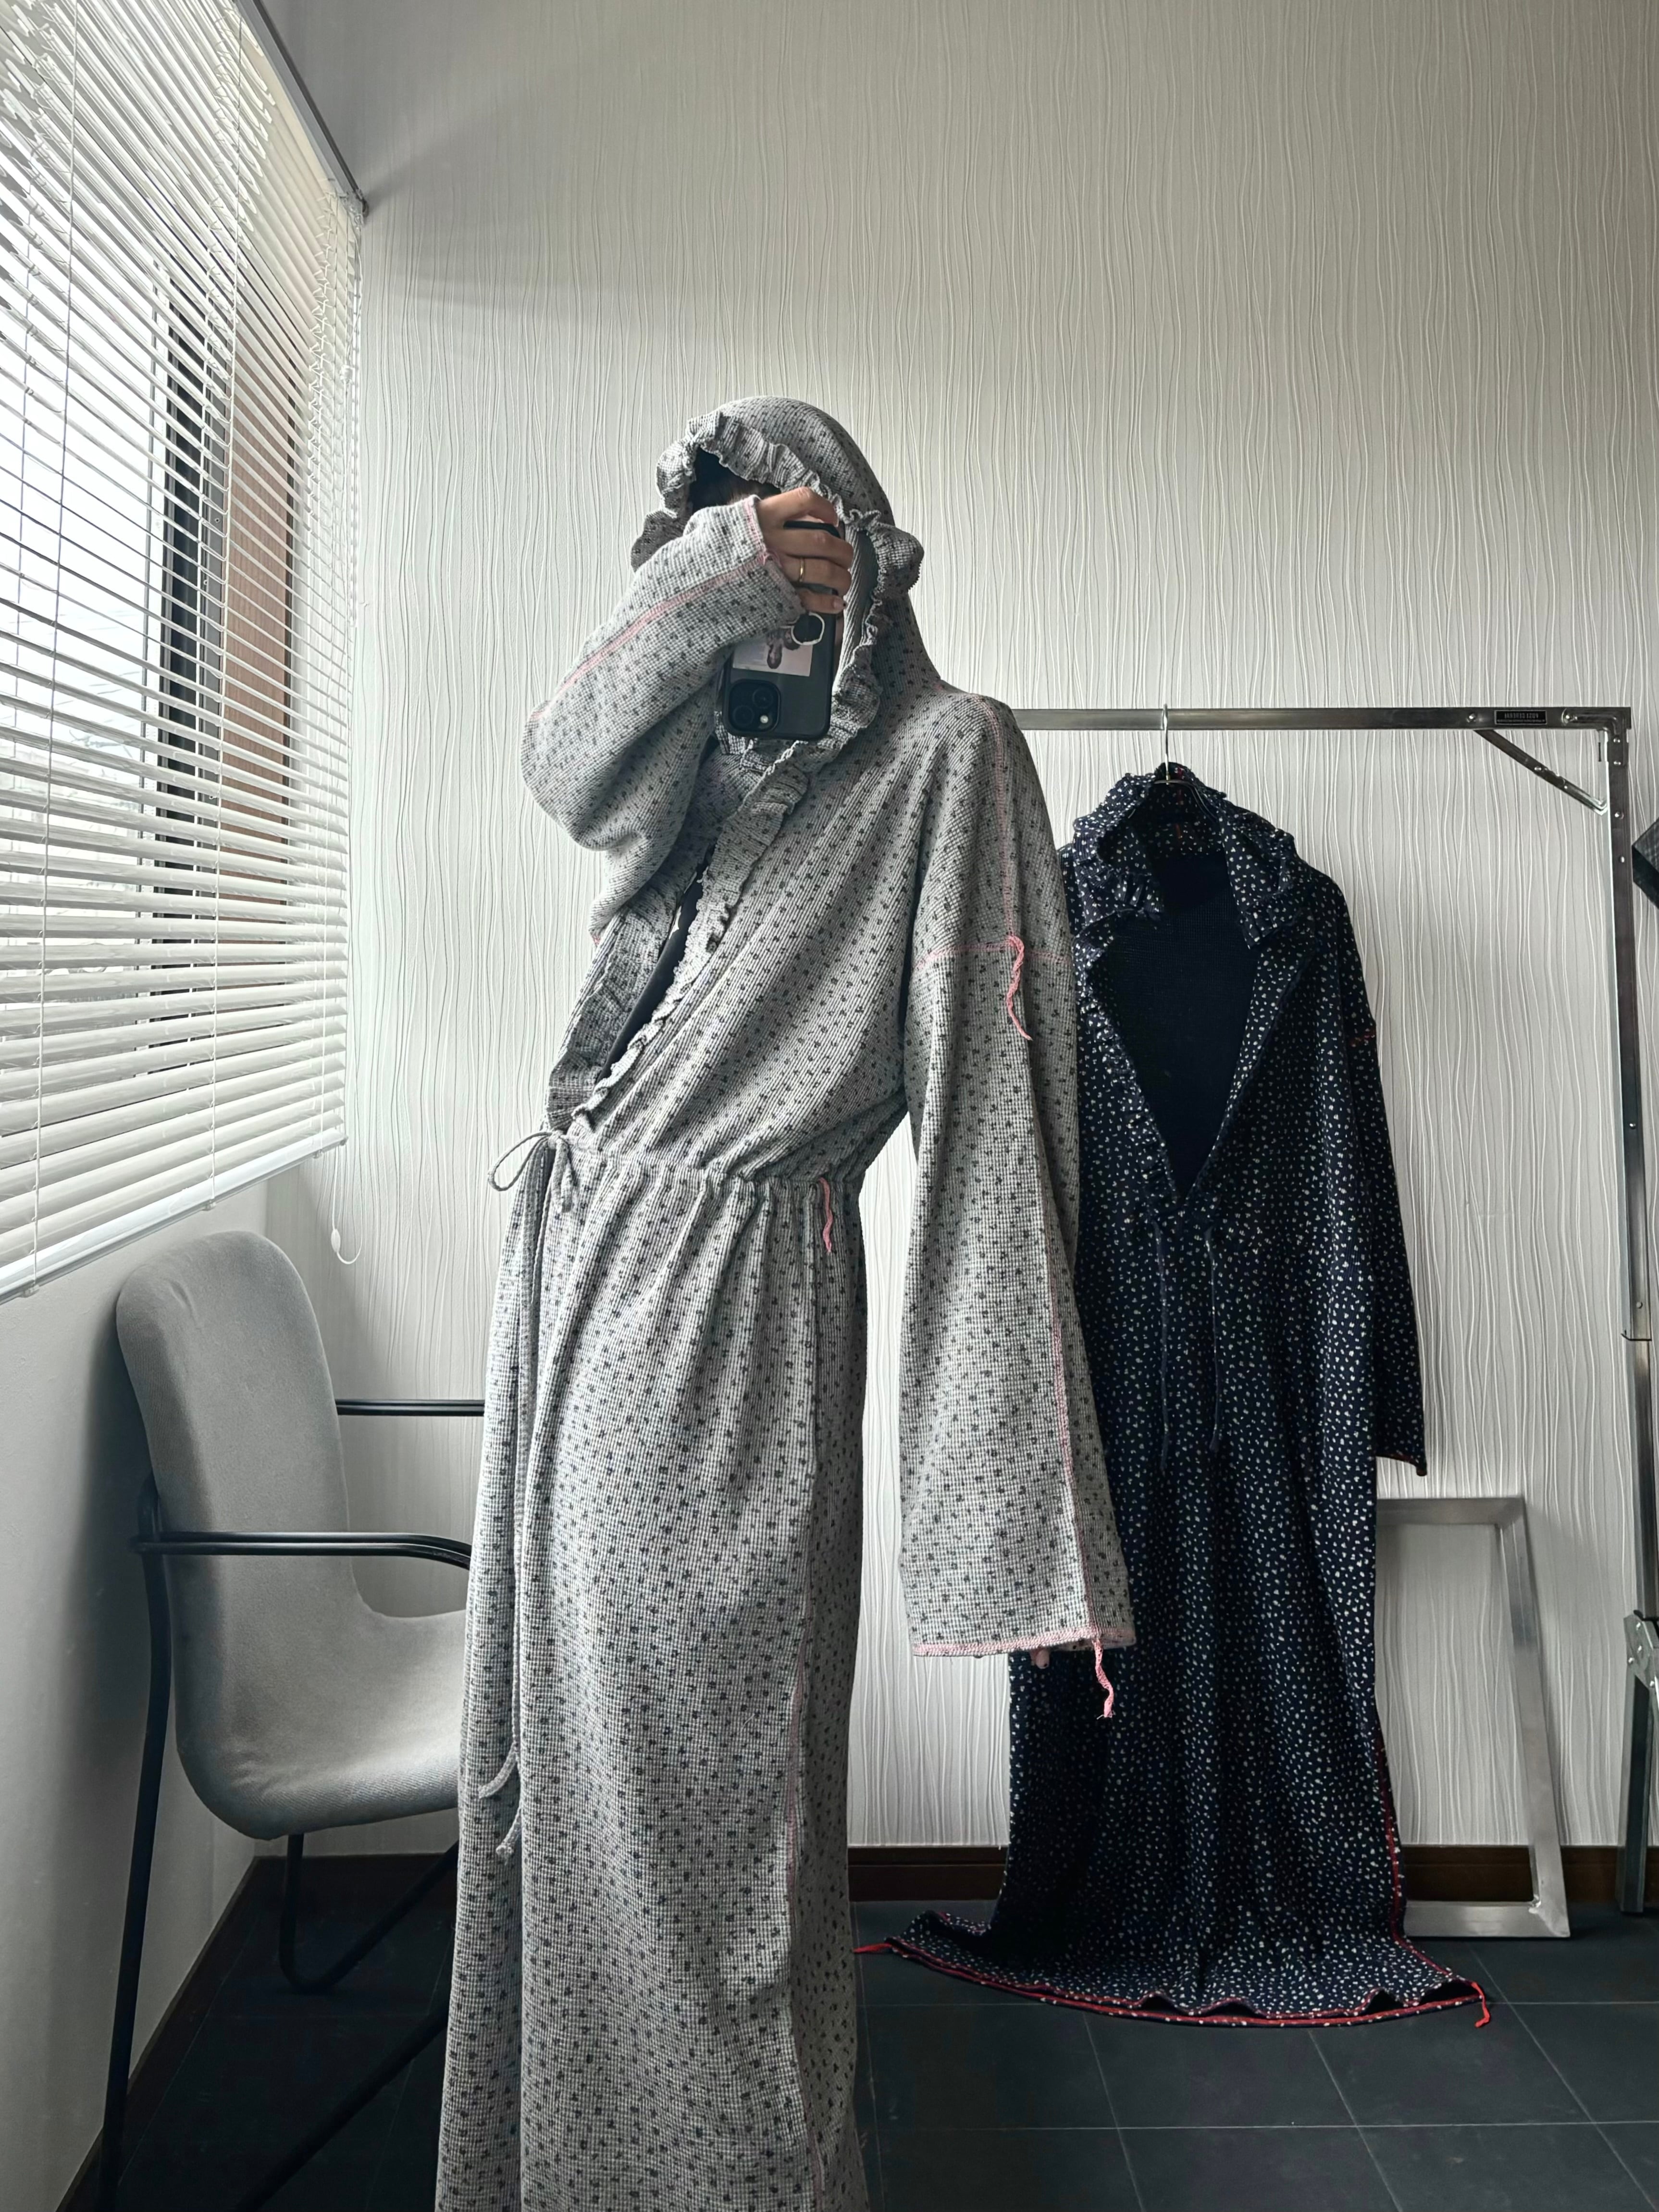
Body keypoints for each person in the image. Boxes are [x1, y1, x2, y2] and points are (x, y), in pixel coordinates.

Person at [436, 396, 1133, 2212]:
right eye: (733, 545)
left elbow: (994, 1115)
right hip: (573, 1289)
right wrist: (705, 583)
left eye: (801, 539)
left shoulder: (948, 758)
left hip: (731, 1318)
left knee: (713, 1815)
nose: (774, 579)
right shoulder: (697, 750)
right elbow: (557, 767)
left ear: (867, 553)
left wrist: (1008, 1514)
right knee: (561, 1785)